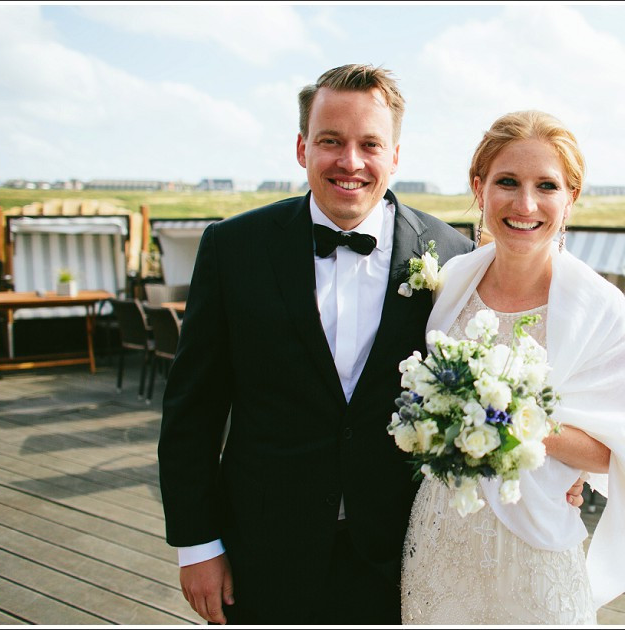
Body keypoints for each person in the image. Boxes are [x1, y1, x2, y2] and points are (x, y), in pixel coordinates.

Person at [156, 64, 476, 625]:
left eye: (369, 144)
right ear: (303, 146)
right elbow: (193, 410)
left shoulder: (454, 254)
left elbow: (486, 390)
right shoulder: (234, 248)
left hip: (402, 556)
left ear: (395, 155)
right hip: (264, 551)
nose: (349, 162)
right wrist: (197, 544)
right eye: (331, 141)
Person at [400, 111, 625, 624]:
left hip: (537, 548)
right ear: (479, 189)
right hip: (441, 535)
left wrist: (515, 425)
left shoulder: (599, 308)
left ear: (570, 198)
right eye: (507, 182)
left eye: (546, 185)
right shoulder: (452, 283)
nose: (525, 204)